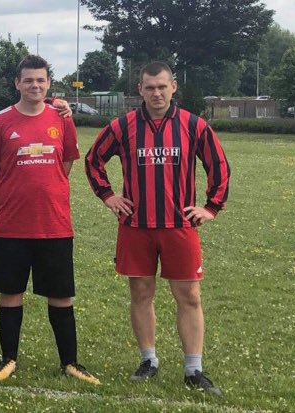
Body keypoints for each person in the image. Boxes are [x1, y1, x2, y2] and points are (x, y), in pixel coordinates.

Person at [85, 61, 230, 396]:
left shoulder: (194, 125)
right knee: (140, 293)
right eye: (150, 87)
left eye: (162, 86)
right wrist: (108, 196)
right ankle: (148, 360)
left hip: (179, 225)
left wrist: (211, 208)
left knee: (189, 296)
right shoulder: (122, 126)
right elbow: (93, 160)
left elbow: (218, 165)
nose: (156, 93)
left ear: (173, 87)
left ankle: (194, 368)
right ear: (140, 90)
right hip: (136, 225)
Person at [0, 55, 98, 384]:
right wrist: (8, 192)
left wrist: (48, 190)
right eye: (28, 80)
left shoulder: (61, 118)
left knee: (61, 295)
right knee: (10, 292)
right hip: (12, 224)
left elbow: (67, 161)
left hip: (54, 223)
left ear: (48, 83)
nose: (35, 85)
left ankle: (70, 362)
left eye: (40, 80)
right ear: (17, 83)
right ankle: (8, 359)